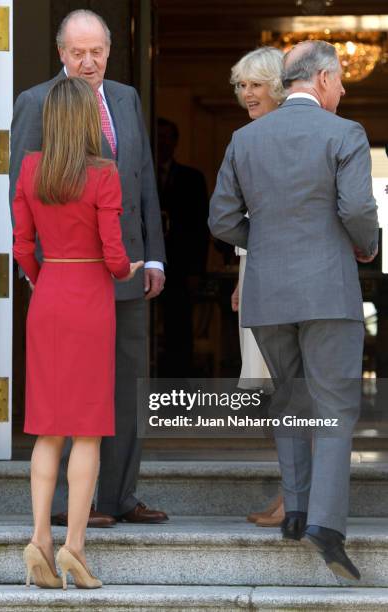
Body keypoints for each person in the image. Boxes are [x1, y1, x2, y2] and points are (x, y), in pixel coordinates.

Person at [209, 40, 378, 580]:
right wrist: (366, 245)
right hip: (328, 289)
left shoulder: (244, 137)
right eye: (342, 80)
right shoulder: (345, 133)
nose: (345, 90)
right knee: (332, 405)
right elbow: (356, 209)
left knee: (291, 399)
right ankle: (325, 527)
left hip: (268, 293)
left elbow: (221, 219)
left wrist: (265, 247)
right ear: (323, 80)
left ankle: (296, 510)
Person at [9, 9, 168, 528]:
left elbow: (141, 182)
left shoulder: (126, 97)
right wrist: (41, 271)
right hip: (73, 278)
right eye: (77, 52)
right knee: (66, 390)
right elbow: (24, 192)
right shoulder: (37, 103)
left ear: (108, 51)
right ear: (61, 54)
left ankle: (118, 496)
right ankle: (63, 507)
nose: (88, 61)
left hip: (125, 271)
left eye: (97, 51)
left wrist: (155, 256)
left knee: (126, 384)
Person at [13, 77, 143, 588]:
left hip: (48, 297)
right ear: (90, 121)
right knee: (87, 430)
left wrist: (47, 282)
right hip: (90, 297)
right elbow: (114, 255)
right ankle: (75, 548)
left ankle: (39, 540)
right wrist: (127, 269)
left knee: (48, 429)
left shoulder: (29, 169)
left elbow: (23, 248)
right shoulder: (103, 174)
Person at [228, 47, 286, 528]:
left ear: (279, 86)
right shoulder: (245, 137)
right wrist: (243, 275)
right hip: (257, 270)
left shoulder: (286, 136)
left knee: (292, 389)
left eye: (256, 84)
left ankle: (296, 496)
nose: (247, 93)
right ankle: (291, 490)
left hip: (283, 274)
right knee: (275, 390)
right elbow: (242, 215)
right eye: (242, 85)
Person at [157, 118, 209, 376]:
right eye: (159, 136)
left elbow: (200, 227)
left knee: (179, 328)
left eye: (168, 136)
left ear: (176, 141)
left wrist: (196, 270)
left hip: (180, 266)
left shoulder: (192, 178)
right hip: (144, 264)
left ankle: (177, 391)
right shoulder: (138, 176)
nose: (163, 142)